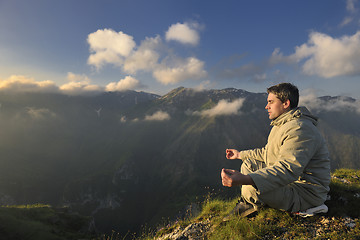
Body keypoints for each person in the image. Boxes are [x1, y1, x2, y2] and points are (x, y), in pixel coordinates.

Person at [221, 83, 330, 219]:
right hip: (293, 182)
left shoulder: (300, 129)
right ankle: (250, 202)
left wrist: (245, 179)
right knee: (249, 164)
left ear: (285, 103)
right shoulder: (282, 124)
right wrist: (239, 155)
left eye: (271, 102)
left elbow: (287, 170)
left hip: (305, 193)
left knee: (250, 186)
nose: (267, 107)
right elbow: (267, 153)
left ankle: (254, 203)